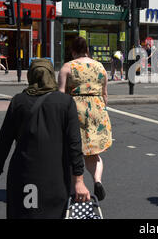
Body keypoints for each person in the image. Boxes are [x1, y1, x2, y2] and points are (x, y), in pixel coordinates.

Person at [0, 58, 91, 219]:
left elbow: (3, 143)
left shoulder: (18, 101)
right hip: (55, 176)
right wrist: (79, 180)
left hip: (23, 174)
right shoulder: (65, 102)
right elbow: (74, 144)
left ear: (30, 76)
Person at [58, 37, 112, 201]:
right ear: (87, 50)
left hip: (75, 109)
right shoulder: (100, 66)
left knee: (73, 151)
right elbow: (105, 94)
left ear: (73, 51)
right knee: (93, 153)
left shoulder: (68, 67)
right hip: (96, 108)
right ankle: (97, 180)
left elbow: (60, 95)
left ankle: (75, 190)